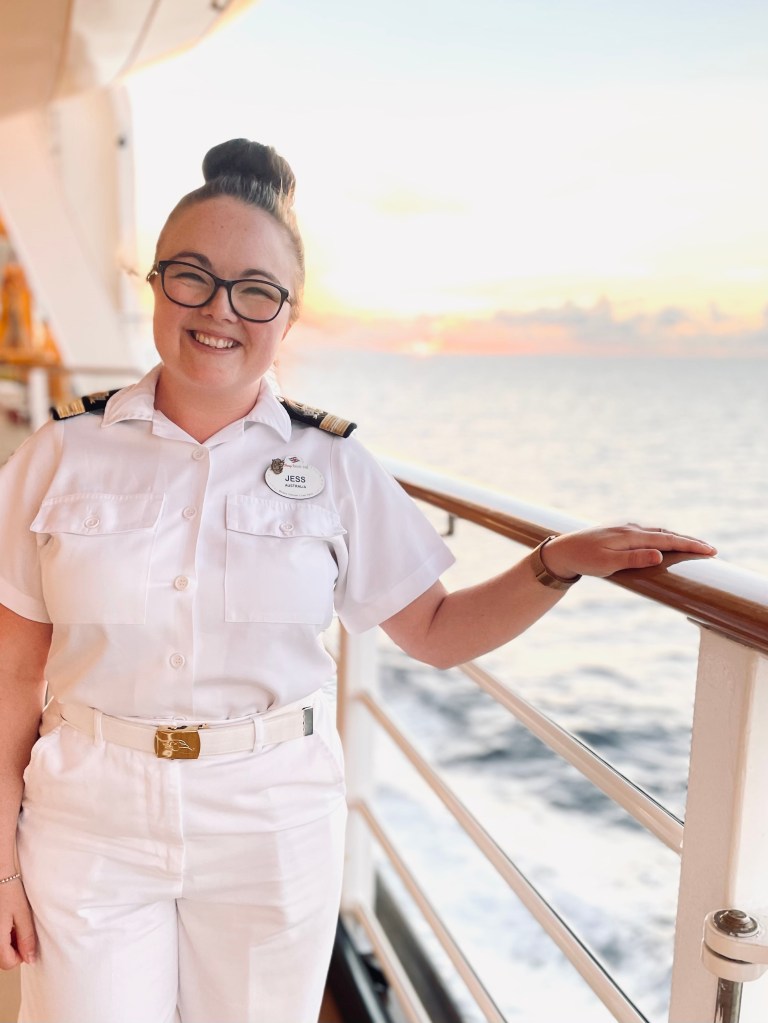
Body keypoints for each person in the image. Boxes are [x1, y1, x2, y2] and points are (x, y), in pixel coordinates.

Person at [0, 138, 716, 1023]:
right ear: (154, 284)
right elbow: (12, 674)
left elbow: (436, 631)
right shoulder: (58, 452)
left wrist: (553, 562)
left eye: (255, 289)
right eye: (192, 275)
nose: (220, 309)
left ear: (288, 315)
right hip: (87, 815)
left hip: (269, 819)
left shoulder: (334, 463)